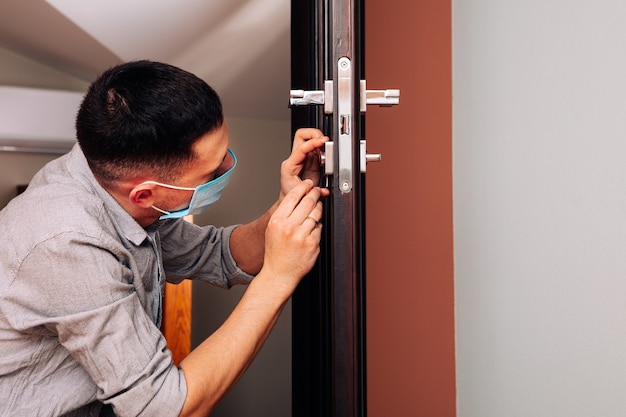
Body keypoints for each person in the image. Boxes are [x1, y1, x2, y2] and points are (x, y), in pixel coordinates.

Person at [0, 60, 329, 416]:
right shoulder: (66, 244)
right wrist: (278, 279)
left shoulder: (108, 176)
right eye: (210, 173)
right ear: (145, 194)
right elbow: (165, 407)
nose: (225, 170)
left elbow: (217, 254)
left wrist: (291, 201)